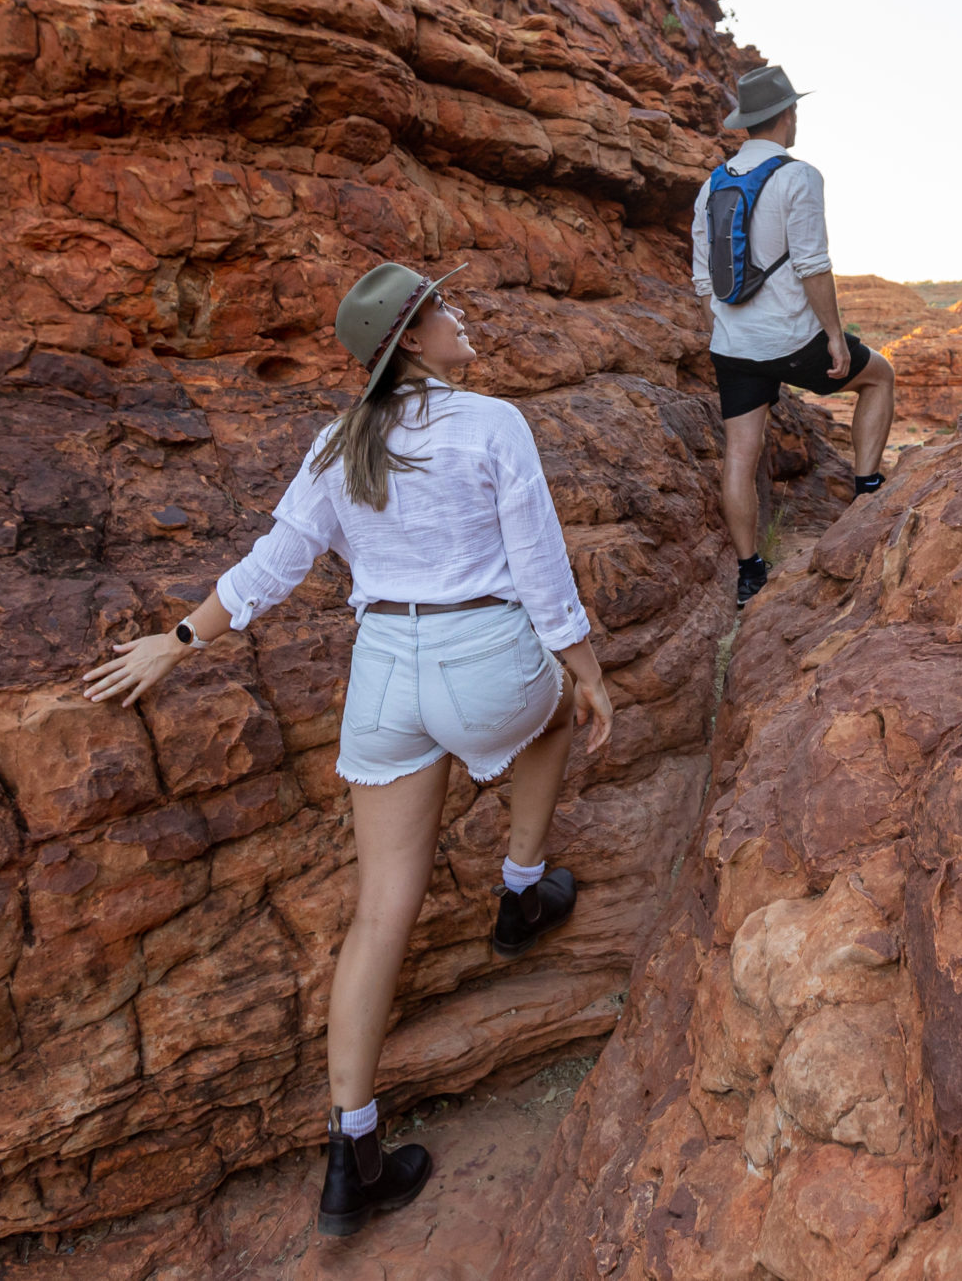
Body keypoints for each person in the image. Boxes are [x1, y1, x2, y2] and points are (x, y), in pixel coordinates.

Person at [80, 261, 614, 1240]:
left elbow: (271, 565)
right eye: (443, 310)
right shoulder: (493, 422)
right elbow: (542, 569)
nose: (461, 318)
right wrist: (587, 672)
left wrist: (181, 637)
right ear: (413, 340)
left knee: (380, 913)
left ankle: (351, 1156)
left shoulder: (338, 443)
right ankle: (521, 887)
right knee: (550, 714)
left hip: (384, 681)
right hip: (486, 661)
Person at [692, 65, 898, 606]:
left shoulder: (711, 185)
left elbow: (700, 278)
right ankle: (868, 494)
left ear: (747, 122)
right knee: (879, 377)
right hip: (792, 340)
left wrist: (731, 328)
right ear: (788, 115)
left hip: (732, 347)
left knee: (741, 452)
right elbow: (813, 265)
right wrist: (833, 334)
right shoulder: (799, 176)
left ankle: (749, 573)